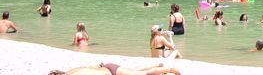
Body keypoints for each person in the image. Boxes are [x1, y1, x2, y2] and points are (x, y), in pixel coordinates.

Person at [47, 62, 180, 75]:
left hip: (111, 72)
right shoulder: (70, 71)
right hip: (107, 68)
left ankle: (170, 69)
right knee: (134, 70)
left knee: (142, 74)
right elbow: (88, 68)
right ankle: (157, 65)